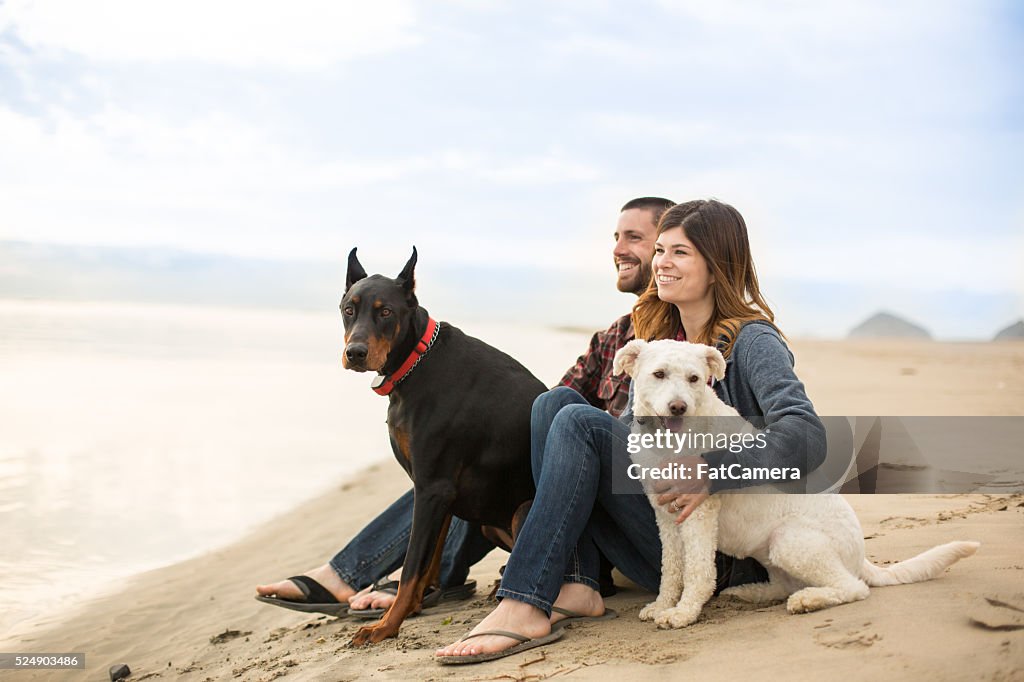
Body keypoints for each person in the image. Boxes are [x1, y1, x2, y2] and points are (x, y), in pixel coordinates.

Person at [435, 199, 827, 662]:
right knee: (555, 403)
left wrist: (710, 468)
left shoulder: (752, 341)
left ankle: (524, 599)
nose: (661, 263)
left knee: (575, 416)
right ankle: (577, 582)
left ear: (717, 265)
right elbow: (633, 442)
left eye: (680, 253)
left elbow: (807, 436)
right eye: (660, 249)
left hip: (725, 554)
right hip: (658, 535)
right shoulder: (662, 338)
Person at [255, 197, 676, 616]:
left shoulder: (691, 343)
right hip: (579, 503)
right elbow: (540, 418)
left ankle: (391, 577)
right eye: (616, 237)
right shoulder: (611, 338)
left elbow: (715, 444)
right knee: (467, 454)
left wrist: (705, 471)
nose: (618, 249)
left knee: (452, 469)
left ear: (666, 249)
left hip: (631, 511)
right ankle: (410, 576)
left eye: (635, 238)